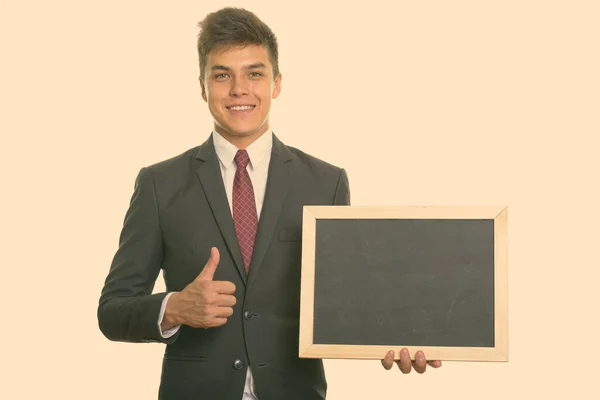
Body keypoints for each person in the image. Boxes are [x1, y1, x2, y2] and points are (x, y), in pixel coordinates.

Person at [97, 7, 441, 400]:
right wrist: (173, 308)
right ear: (202, 87)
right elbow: (112, 312)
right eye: (222, 74)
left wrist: (400, 336)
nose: (239, 89)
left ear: (276, 83)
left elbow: (350, 300)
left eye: (254, 73)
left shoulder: (326, 183)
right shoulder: (159, 184)